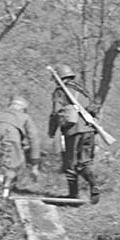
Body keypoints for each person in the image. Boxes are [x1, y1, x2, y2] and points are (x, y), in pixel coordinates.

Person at [48, 65, 100, 204]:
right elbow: (93, 108)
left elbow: (56, 113)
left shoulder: (60, 92)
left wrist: (52, 131)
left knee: (70, 163)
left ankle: (73, 196)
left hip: (73, 131)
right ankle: (93, 183)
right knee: (85, 162)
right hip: (89, 130)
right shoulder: (82, 90)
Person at [0, 96, 41, 196]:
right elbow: (34, 139)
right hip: (9, 131)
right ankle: (4, 191)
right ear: (23, 109)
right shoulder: (24, 116)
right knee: (13, 161)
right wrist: (35, 164)